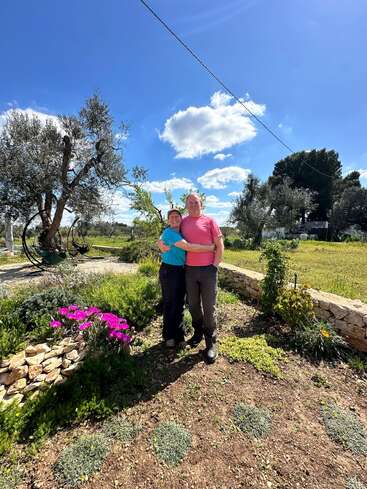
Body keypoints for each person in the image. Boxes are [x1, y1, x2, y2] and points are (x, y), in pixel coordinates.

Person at [159, 208, 215, 349]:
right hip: (169, 270)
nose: (174, 218)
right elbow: (188, 247)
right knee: (170, 303)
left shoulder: (181, 232)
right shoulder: (169, 233)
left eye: (177, 216)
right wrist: (210, 248)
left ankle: (179, 336)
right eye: (171, 217)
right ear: (168, 221)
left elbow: (161, 240)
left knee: (179, 305)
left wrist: (159, 242)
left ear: (181, 218)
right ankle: (169, 336)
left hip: (181, 270)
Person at [181, 193, 224, 364]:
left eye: (195, 202)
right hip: (190, 271)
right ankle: (197, 333)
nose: (193, 205)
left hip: (208, 271)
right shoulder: (183, 222)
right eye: (190, 202)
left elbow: (219, 245)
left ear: (201, 204)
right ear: (186, 205)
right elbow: (171, 234)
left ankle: (211, 343)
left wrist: (214, 266)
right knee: (192, 305)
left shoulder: (210, 221)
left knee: (209, 306)